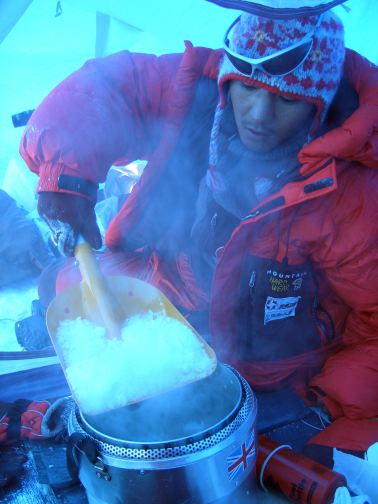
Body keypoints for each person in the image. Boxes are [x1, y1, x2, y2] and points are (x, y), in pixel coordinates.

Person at [19, 10, 378, 453]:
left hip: (275, 359)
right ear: (229, 80)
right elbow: (112, 89)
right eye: (247, 88)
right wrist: (66, 178)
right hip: (175, 285)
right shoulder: (196, 95)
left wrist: (326, 414)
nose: (259, 114)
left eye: (286, 100)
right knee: (55, 284)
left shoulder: (352, 190)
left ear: (317, 105)